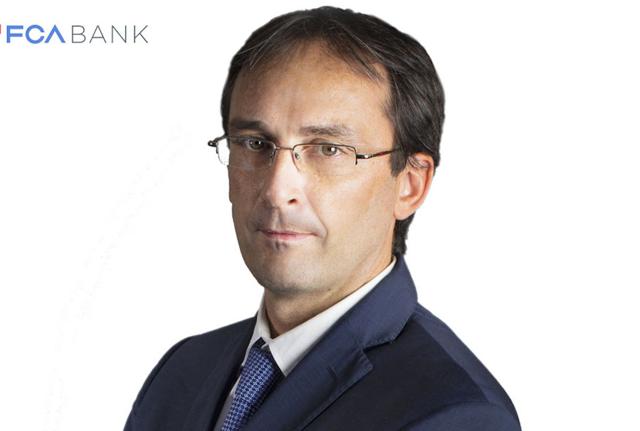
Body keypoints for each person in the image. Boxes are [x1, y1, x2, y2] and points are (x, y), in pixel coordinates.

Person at [123, 6, 520, 431]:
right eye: (255, 143)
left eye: (329, 149)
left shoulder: (456, 414)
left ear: (409, 184)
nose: (277, 190)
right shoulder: (182, 372)